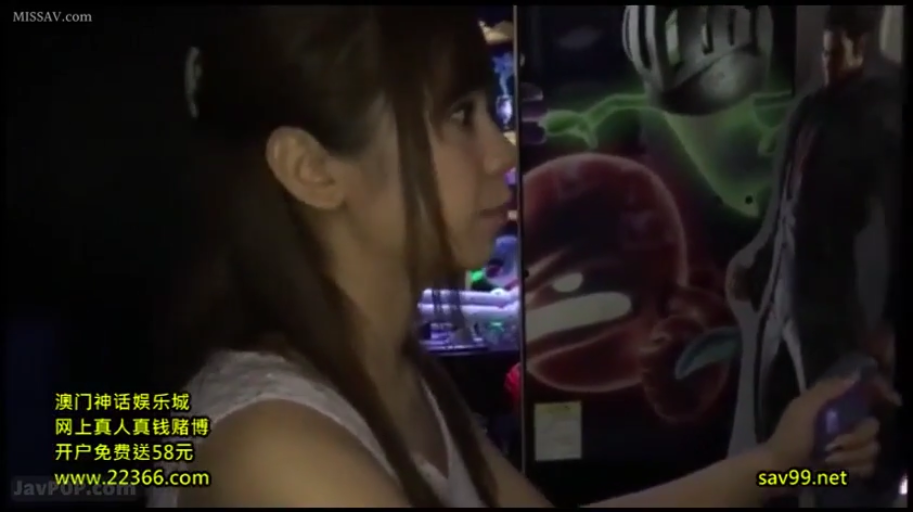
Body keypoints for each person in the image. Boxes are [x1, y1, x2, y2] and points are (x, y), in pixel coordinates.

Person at [148, 7, 882, 508]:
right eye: (458, 117)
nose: (502, 154)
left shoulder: (396, 376)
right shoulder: (277, 454)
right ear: (311, 169)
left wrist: (784, 463)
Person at [726, 4, 901, 507]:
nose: (828, 63)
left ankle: (827, 496)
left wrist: (890, 321)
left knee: (835, 446)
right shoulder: (810, 110)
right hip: (780, 293)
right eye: (823, 53)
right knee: (773, 429)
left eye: (835, 52)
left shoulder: (877, 114)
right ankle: (779, 496)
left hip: (824, 301)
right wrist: (758, 269)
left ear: (860, 46)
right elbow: (788, 209)